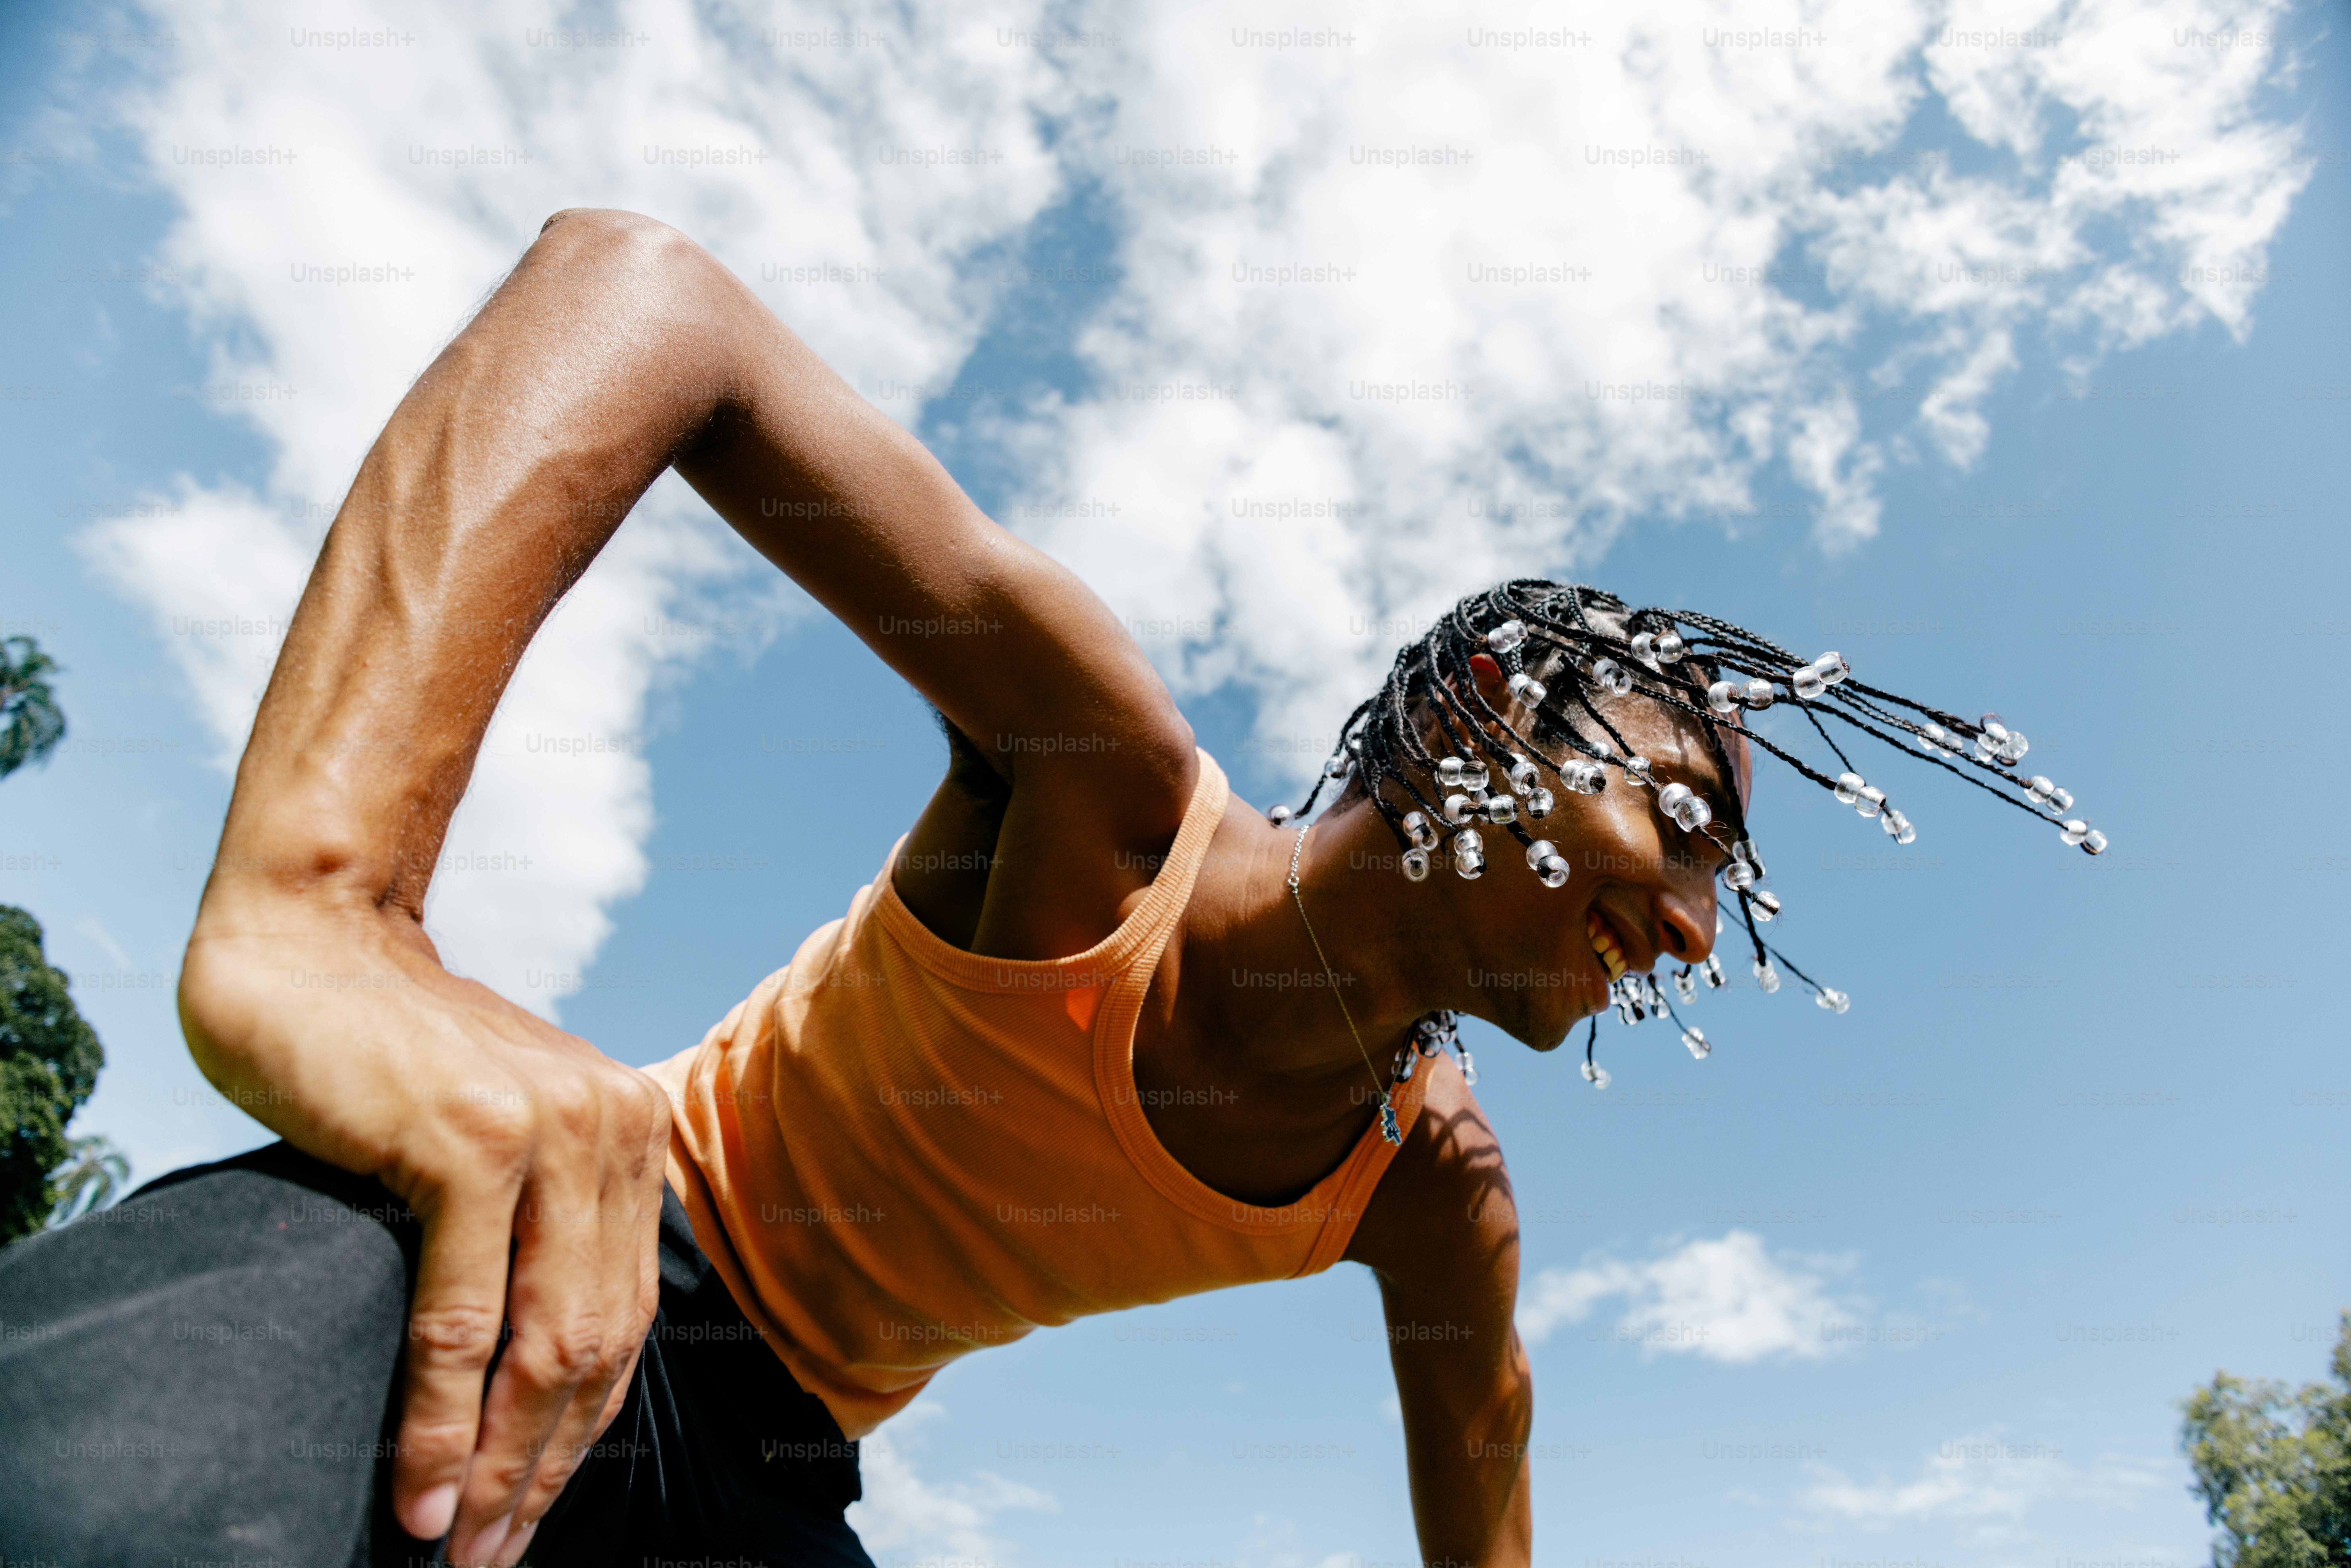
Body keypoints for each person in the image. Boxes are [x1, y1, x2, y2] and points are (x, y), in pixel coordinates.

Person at [0, 209, 2104, 1567]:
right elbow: (647, 301)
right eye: (1681, 829)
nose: (1692, 925)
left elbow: (1494, 1484)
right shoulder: (1105, 793)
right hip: (579, 1227)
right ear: (1481, 711)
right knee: (104, 1505)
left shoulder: (1428, 1191)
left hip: (777, 1476)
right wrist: (323, 896)